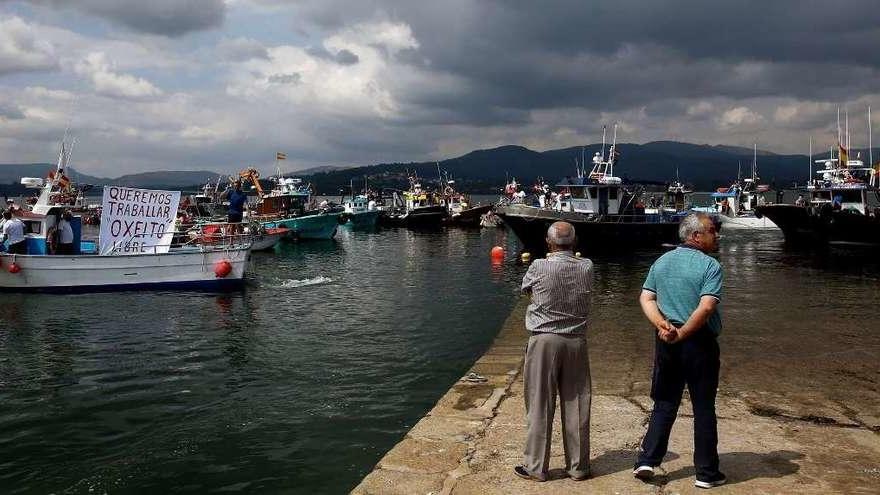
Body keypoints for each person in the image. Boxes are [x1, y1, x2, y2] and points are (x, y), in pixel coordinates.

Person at [633, 212, 726, 489]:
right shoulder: (710, 266)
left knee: (664, 402)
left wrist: (663, 325)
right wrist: (684, 332)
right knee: (704, 407)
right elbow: (707, 307)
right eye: (711, 230)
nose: (716, 235)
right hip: (699, 343)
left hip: (666, 340)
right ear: (696, 236)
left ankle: (647, 460)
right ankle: (706, 474)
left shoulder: (662, 261)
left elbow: (646, 297)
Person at [514, 221, 593, 482]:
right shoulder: (587, 266)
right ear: (575, 242)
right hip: (576, 341)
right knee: (577, 403)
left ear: (549, 243)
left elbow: (526, 290)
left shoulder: (538, 266)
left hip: (544, 339)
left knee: (539, 404)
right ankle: (578, 467)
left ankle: (536, 467)